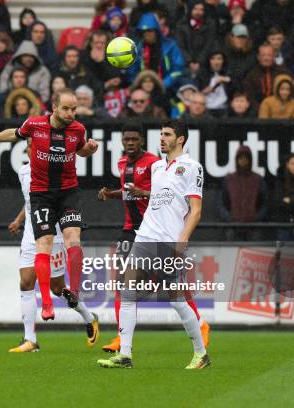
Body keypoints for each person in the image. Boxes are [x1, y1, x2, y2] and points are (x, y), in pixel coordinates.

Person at [0, 88, 99, 319]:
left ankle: (75, 291)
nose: (71, 113)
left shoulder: (78, 129)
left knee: (74, 239)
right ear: (54, 107)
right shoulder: (35, 125)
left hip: (68, 192)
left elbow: (80, 151)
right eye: (66, 109)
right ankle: (47, 303)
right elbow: (14, 133)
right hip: (41, 194)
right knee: (44, 245)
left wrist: (89, 150)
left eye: (74, 109)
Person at [97, 119, 210, 370]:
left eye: (167, 134)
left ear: (180, 139)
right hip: (145, 236)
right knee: (127, 292)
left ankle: (201, 354)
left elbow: (196, 210)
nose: (162, 138)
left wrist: (182, 240)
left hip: (169, 240)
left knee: (176, 298)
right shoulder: (158, 167)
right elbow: (157, 197)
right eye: (160, 134)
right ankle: (125, 355)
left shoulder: (192, 167)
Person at [7, 139, 99, 352]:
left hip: (54, 235)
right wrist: (19, 220)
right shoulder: (23, 172)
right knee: (26, 282)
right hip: (31, 234)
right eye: (30, 146)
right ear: (28, 149)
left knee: (57, 288)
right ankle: (30, 339)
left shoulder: (55, 170)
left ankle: (88, 316)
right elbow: (31, 200)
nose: (34, 150)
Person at [218, 146, 268, 241]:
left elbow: (265, 203)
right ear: (236, 160)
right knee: (231, 253)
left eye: (246, 158)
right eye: (240, 158)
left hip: (253, 228)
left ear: (250, 160)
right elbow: (221, 203)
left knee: (254, 254)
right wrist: (230, 219)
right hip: (233, 228)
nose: (243, 161)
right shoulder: (229, 179)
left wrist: (256, 218)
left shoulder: (258, 180)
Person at [128, 13, 185, 92]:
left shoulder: (170, 46)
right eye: (144, 31)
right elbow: (132, 71)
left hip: (167, 87)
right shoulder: (137, 48)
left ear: (156, 31)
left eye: (150, 30)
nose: (147, 34)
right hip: (142, 88)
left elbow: (178, 70)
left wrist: (163, 84)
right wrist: (139, 84)